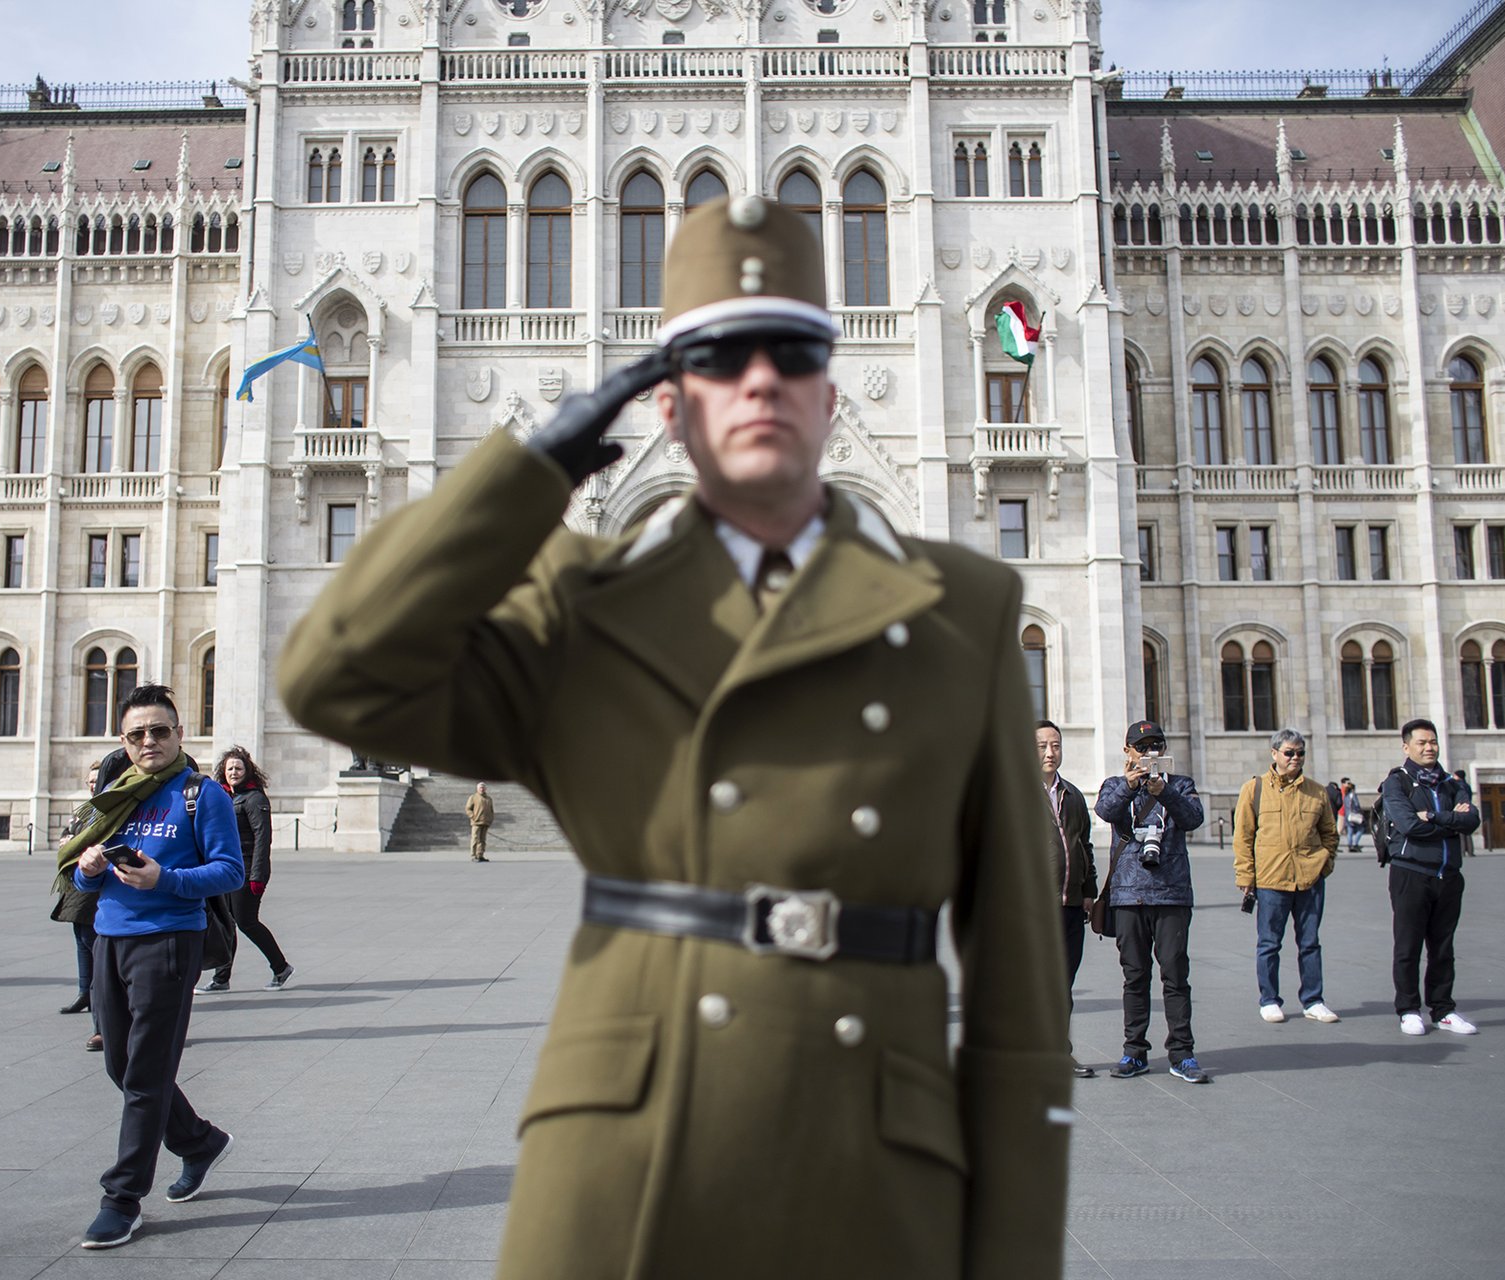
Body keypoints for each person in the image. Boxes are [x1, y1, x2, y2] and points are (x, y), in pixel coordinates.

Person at [277, 195, 1072, 1279]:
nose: (759, 381)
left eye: (792, 352)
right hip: (624, 1164)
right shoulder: (580, 605)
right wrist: (529, 470)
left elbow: (1020, 1004)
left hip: (873, 1168)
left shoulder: (962, 611)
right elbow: (335, 676)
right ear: (668, 403)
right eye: (719, 357)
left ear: (832, 393)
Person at [60, 683, 244, 1249]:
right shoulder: (118, 794)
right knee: (121, 1065)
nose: (149, 741)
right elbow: (80, 875)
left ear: (179, 735)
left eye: (160, 731)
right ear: (124, 741)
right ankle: (198, 1141)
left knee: (144, 1074)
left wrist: (165, 879)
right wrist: (90, 867)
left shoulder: (201, 794)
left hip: (168, 942)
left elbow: (229, 871)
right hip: (109, 940)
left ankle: (121, 1199)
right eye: (137, 733)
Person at [1096, 720, 1208, 1084]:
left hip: (1172, 893)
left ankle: (1182, 1052)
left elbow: (1193, 818)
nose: (1149, 753)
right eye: (1141, 747)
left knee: (1175, 974)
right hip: (1129, 894)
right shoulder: (1114, 785)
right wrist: (1131, 786)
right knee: (1135, 976)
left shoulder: (1181, 785)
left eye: (1156, 745)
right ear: (1127, 752)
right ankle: (1134, 1051)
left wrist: (1165, 792)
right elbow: (1105, 811)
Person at [1380, 719, 1481, 1036]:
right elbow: (1409, 825)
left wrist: (1436, 817)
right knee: (1408, 946)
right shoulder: (1397, 782)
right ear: (1406, 746)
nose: (1429, 748)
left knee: (1443, 948)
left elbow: (1472, 820)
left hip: (1448, 875)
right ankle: (1409, 1009)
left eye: (1433, 742)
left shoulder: (1451, 783)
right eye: (1422, 742)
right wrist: (1451, 823)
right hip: (1411, 873)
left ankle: (1443, 1009)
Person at [1232, 729, 1339, 1024]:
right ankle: (1269, 1000)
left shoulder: (1316, 791)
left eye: (1300, 753)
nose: (1295, 758)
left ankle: (1313, 1000)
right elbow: (1243, 837)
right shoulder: (1253, 789)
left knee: (1310, 943)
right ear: (1274, 753)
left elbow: (1330, 833)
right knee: (1269, 943)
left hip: (1309, 878)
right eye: (1289, 752)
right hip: (1271, 879)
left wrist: (1324, 864)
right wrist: (1245, 876)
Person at [198, 746, 293, 993]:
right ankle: (221, 978)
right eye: (229, 768)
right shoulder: (225, 797)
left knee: (246, 922)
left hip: (248, 870)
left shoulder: (255, 799)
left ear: (247, 770)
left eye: (238, 768)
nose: (234, 772)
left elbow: (263, 838)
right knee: (226, 924)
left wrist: (258, 876)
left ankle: (281, 967)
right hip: (227, 870)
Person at [1035, 720, 1098, 1078]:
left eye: (1055, 745)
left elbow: (1083, 845)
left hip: (1071, 906)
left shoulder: (1073, 795)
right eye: (1042, 746)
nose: (1050, 752)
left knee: (1063, 984)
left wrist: (1088, 891)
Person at [57, 759, 105, 1051]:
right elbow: (69, 835)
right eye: (90, 781)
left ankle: (102, 1021)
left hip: (93, 888)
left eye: (97, 780)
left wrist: (75, 846)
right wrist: (67, 842)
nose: (92, 785)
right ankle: (84, 992)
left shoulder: (109, 810)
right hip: (76, 885)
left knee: (95, 946)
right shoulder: (84, 810)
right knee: (81, 940)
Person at [465, 782, 494, 863]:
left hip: (485, 822)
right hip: (476, 822)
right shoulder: (473, 797)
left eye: (483, 787)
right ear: (477, 789)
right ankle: (473, 855)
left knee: (482, 840)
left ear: (485, 789)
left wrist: (490, 819)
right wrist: (473, 816)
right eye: (480, 787)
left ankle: (480, 855)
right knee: (475, 839)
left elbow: (491, 810)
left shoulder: (489, 799)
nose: (482, 789)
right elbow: (468, 809)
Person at [1340, 778, 1365, 852]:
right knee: (1361, 829)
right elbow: (1356, 805)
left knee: (1350, 831)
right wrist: (1360, 812)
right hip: (1354, 814)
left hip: (1347, 815)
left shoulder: (1346, 795)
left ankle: (1350, 845)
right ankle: (1355, 844)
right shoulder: (1353, 795)